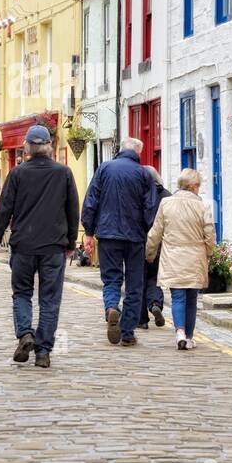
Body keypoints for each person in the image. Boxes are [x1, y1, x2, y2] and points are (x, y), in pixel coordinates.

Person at [0, 124, 79, 369]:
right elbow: (73, 211)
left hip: (24, 245)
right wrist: (71, 242)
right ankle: (43, 352)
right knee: (50, 300)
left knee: (22, 293)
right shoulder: (64, 173)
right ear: (48, 146)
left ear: (27, 147)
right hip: (53, 246)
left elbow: (4, 209)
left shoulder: (18, 174)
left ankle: (25, 333)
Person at [81, 138, 159, 346]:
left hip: (107, 235)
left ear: (120, 150)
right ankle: (127, 333)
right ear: (138, 152)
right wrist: (146, 231)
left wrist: (89, 232)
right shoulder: (144, 173)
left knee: (112, 279)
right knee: (135, 284)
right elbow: (150, 207)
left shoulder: (104, 169)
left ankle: (112, 307)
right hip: (135, 238)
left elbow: (91, 201)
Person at [144, 168, 215, 350]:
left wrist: (150, 254)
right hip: (195, 257)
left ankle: (180, 332)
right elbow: (209, 234)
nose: (199, 189)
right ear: (193, 186)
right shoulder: (203, 206)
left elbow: (155, 232)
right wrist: (208, 252)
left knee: (177, 297)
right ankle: (189, 337)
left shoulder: (166, 203)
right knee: (191, 298)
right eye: (198, 185)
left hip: (173, 257)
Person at [138, 166, 172, 330]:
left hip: (139, 242)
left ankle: (142, 319)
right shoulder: (167, 196)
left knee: (139, 280)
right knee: (155, 277)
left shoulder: (138, 194)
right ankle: (155, 304)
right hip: (160, 244)